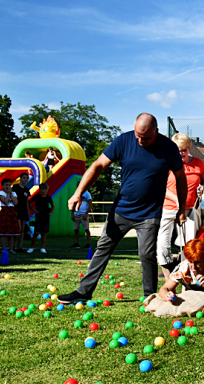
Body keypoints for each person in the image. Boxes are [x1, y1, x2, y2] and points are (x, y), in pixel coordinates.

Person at [58, 113, 187, 304]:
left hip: (149, 214)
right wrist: (78, 192)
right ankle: (84, 291)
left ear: (156, 132)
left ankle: (150, 297)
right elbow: (98, 165)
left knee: (147, 254)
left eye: (146, 137)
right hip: (121, 210)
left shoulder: (168, 148)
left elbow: (181, 178)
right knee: (103, 248)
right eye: (138, 135)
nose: (140, 140)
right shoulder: (124, 141)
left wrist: (181, 209)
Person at [158, 132, 204, 279]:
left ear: (189, 149)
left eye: (184, 149)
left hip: (189, 210)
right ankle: (169, 277)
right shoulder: (167, 163)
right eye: (178, 149)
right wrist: (176, 199)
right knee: (162, 243)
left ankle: (188, 276)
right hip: (169, 208)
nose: (181, 152)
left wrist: (202, 187)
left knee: (190, 243)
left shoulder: (198, 163)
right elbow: (161, 186)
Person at [0, 178, 20, 253]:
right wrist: (8, 194)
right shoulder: (1, 193)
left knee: (11, 233)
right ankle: (3, 249)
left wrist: (11, 194)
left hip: (12, 212)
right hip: (5, 212)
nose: (8, 186)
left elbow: (15, 203)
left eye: (9, 185)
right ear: (2, 185)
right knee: (4, 233)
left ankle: (11, 249)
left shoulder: (14, 193)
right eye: (6, 185)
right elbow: (5, 202)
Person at [28, 183, 54, 254]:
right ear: (40, 190)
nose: (44, 191)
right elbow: (28, 203)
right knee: (36, 232)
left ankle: (42, 247)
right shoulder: (37, 197)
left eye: (45, 189)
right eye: (43, 189)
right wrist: (34, 210)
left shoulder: (48, 197)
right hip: (39, 216)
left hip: (46, 216)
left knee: (44, 232)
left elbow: (52, 206)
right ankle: (31, 247)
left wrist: (50, 212)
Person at [12, 173, 31, 251]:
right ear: (20, 178)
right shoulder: (15, 187)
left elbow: (27, 201)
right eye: (24, 178)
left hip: (24, 210)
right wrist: (13, 209)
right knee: (18, 229)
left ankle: (20, 247)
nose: (25, 179)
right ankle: (12, 246)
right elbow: (12, 198)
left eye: (26, 178)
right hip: (17, 209)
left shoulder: (26, 189)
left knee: (23, 229)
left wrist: (28, 212)